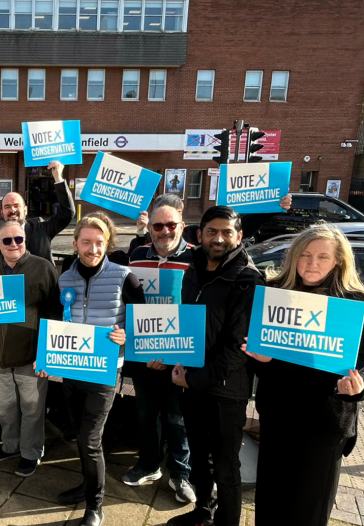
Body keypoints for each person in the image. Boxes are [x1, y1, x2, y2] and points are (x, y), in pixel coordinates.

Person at [242, 224, 364, 526]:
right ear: (294, 257)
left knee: (308, 510)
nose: (312, 263)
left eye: (323, 257)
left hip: (324, 426)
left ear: (338, 261)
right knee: (270, 504)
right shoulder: (277, 296)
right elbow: (261, 361)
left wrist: (361, 385)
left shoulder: (355, 302)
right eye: (305, 255)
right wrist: (263, 359)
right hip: (278, 420)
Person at [167, 206, 264, 526]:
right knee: (198, 457)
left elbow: (240, 347)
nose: (218, 238)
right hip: (192, 382)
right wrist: (176, 359)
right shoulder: (192, 269)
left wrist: (194, 381)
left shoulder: (248, 278)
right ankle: (202, 512)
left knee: (225, 466)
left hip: (226, 390)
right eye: (212, 231)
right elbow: (186, 323)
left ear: (238, 236)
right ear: (200, 234)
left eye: (226, 232)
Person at [48, 215, 144, 526]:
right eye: (87, 242)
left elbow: (143, 323)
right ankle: (87, 484)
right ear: (74, 244)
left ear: (108, 244)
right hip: (71, 369)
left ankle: (95, 506)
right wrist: (45, 356)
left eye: (100, 243)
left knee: (90, 440)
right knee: (80, 435)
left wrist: (126, 334)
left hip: (103, 372)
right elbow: (57, 323)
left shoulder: (124, 276)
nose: (93, 248)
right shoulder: (64, 277)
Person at [124, 196, 195, 504]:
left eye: (170, 225)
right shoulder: (136, 255)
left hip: (179, 355)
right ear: (149, 227)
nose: (164, 231)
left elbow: (200, 309)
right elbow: (127, 302)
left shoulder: (198, 258)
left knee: (178, 418)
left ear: (181, 225)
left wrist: (174, 355)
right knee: (146, 413)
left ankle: (181, 474)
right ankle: (149, 464)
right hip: (143, 353)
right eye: (158, 225)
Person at [0, 220, 59, 477]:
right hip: (1, 356)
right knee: (4, 408)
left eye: (19, 239)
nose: (14, 244)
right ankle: (10, 445)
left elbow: (54, 313)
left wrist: (46, 354)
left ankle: (30, 453)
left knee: (32, 410)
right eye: (7, 240)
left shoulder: (43, 268)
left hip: (31, 356)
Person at [129, 194, 293, 254]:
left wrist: (272, 207)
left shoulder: (196, 239)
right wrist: (142, 231)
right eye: (159, 225)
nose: (166, 230)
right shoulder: (141, 247)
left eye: (173, 222)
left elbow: (240, 227)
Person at [0, 160, 74, 264]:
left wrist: (58, 177)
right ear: (2, 212)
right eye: (7, 207)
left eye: (16, 206)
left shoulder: (41, 229)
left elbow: (67, 213)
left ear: (25, 210)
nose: (12, 210)